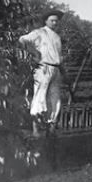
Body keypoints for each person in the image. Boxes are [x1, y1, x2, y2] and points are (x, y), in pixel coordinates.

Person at [19, 9, 65, 137]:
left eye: (56, 21)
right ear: (46, 21)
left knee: (55, 99)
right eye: (52, 20)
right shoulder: (39, 32)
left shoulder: (57, 37)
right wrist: (34, 53)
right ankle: (35, 129)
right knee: (40, 96)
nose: (55, 23)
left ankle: (51, 127)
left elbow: (59, 56)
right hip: (43, 68)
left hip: (56, 69)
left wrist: (63, 71)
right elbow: (22, 40)